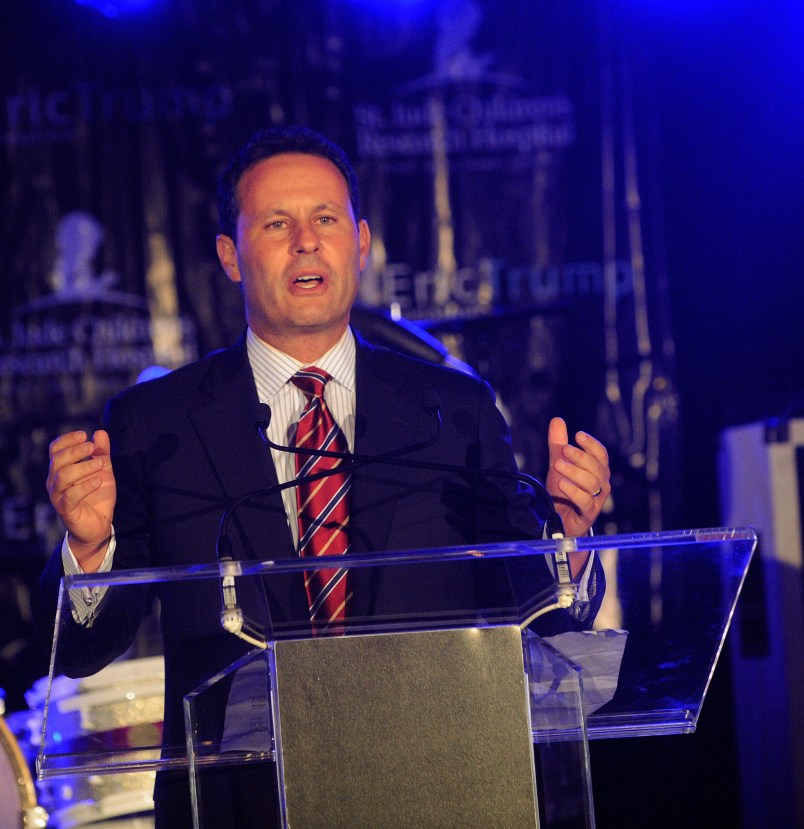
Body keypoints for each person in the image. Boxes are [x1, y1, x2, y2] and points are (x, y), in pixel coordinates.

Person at [37, 126, 611, 828]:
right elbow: (84, 644)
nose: (306, 241)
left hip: (438, 790)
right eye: (277, 223)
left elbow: (537, 610)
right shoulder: (157, 421)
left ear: (361, 242)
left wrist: (569, 542)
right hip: (240, 805)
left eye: (325, 219)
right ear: (229, 255)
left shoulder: (452, 407)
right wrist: (93, 552)